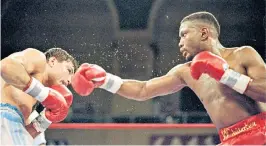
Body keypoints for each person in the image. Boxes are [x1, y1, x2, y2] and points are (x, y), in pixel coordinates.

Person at [71, 11, 266, 145]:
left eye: (184, 35)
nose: (180, 42)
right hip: (229, 139)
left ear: (204, 32)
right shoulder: (185, 71)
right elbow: (143, 90)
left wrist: (226, 75)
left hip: (261, 132)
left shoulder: (243, 54)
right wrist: (105, 80)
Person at [1, 48, 78, 145]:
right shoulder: (39, 59)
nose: (69, 81)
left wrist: (46, 119)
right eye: (69, 70)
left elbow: (27, 134)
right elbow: (5, 67)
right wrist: (43, 94)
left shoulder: (32, 99)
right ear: (52, 61)